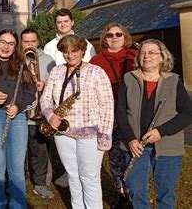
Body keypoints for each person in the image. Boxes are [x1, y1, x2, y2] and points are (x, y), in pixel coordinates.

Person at [116, 39, 192, 209]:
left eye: (151, 52)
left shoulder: (173, 81)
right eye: (143, 52)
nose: (146, 56)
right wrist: (130, 139)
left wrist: (161, 131)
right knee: (136, 190)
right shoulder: (129, 79)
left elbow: (187, 113)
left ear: (162, 57)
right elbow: (120, 113)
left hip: (167, 146)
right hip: (135, 146)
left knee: (166, 193)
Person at [40, 34, 114, 208]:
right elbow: (45, 99)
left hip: (90, 134)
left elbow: (107, 105)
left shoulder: (96, 72)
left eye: (75, 51)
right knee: (73, 175)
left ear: (82, 51)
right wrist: (50, 115)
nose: (70, 55)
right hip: (63, 133)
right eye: (66, 51)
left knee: (90, 178)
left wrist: (105, 135)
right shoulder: (57, 71)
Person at [0, 29, 36, 208]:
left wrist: (19, 106)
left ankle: (18, 205)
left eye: (10, 43)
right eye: (3, 42)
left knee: (16, 169)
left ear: (15, 46)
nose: (6, 46)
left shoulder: (21, 66)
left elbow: (31, 95)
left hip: (16, 118)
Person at [89, 22, 136, 207]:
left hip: (132, 112)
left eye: (118, 34)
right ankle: (121, 193)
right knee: (115, 154)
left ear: (125, 37)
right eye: (110, 35)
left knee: (132, 153)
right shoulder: (96, 62)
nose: (114, 38)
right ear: (104, 39)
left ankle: (134, 190)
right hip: (108, 113)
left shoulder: (135, 57)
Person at [20, 28, 56, 199]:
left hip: (39, 114)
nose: (30, 45)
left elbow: (56, 86)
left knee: (40, 151)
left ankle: (40, 183)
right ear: (21, 43)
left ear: (38, 41)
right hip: (20, 114)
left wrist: (45, 85)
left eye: (33, 41)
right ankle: (20, 179)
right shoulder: (16, 59)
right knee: (20, 151)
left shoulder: (48, 60)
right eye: (26, 42)